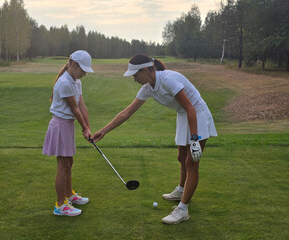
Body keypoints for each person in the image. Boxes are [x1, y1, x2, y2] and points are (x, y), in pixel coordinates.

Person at [92, 54, 217, 224]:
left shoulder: (169, 79)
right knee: (181, 158)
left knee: (191, 163)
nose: (134, 79)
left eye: (135, 74)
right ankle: (181, 190)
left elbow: (190, 107)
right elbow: (127, 112)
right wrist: (104, 131)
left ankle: (183, 210)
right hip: (183, 115)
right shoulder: (148, 88)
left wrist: (195, 139)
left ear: (146, 70)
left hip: (197, 114)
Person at [42, 50, 94, 216]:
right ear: (73, 64)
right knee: (63, 166)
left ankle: (68, 195)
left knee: (69, 163)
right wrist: (84, 128)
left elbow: (82, 106)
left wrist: (88, 128)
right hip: (60, 126)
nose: (85, 73)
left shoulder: (76, 81)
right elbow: (75, 109)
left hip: (67, 125)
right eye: (83, 69)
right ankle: (60, 205)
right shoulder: (64, 82)